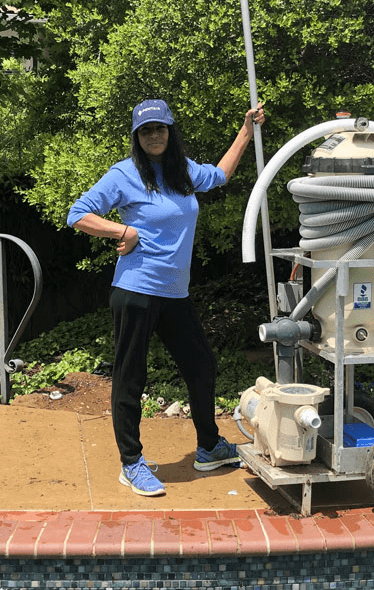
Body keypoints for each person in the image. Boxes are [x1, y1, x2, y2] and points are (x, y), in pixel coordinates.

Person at [66, 98, 266, 496]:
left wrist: (246, 131)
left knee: (202, 365)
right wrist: (123, 231)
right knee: (131, 377)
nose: (153, 135)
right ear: (136, 137)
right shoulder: (124, 174)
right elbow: (78, 214)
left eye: (159, 128)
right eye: (145, 130)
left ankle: (209, 446)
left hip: (175, 294)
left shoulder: (183, 171)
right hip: (136, 290)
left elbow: (220, 175)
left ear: (170, 132)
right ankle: (131, 462)